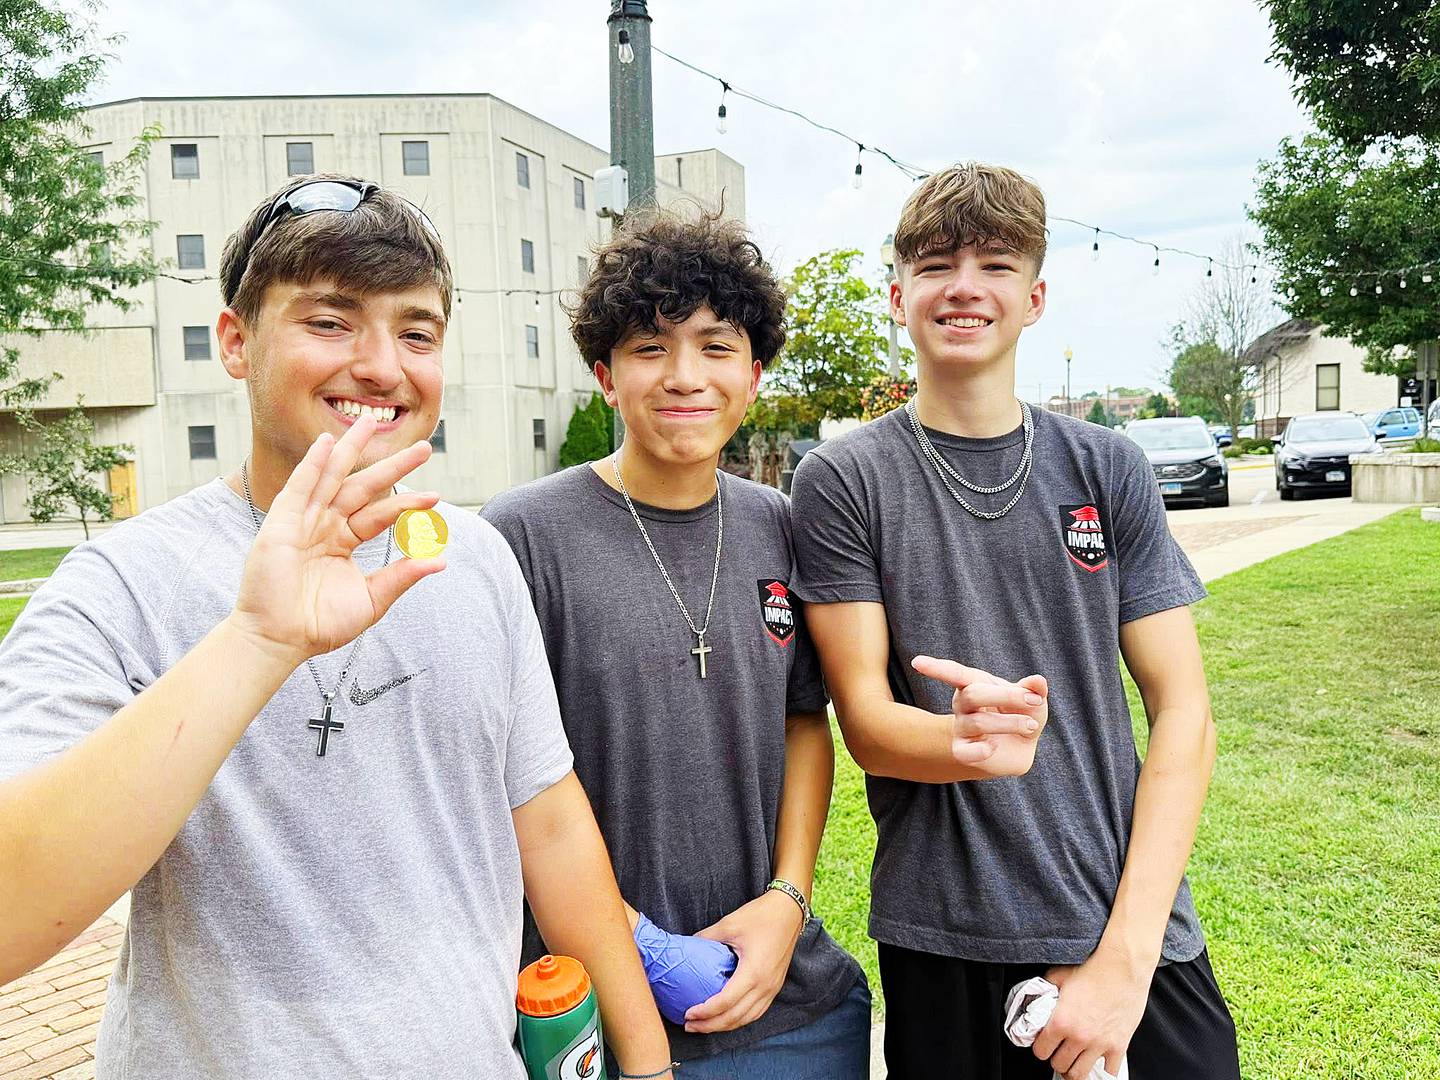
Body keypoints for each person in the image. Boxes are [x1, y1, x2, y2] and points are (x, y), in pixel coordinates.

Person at [0, 175, 673, 1080]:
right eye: (330, 321)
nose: (383, 366)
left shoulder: (474, 557)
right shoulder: (122, 584)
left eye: (417, 333)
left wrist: (649, 1063)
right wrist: (257, 641)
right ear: (235, 340)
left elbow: (550, 828)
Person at [790, 163, 1241, 1080]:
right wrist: (965, 740)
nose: (964, 287)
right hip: (949, 934)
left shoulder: (1107, 466)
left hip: (1127, 923)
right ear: (898, 298)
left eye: (995, 265)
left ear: (1034, 299)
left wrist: (1127, 957)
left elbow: (1184, 713)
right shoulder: (843, 480)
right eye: (935, 265)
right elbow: (866, 724)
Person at [482, 209, 871, 1078]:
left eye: (715, 347)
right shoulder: (521, 538)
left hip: (787, 1002)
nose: (684, 376)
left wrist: (787, 900)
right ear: (606, 376)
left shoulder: (783, 526)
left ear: (754, 376)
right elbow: (491, 778)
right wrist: (635, 944)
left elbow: (805, 722)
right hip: (590, 1014)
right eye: (650, 348)